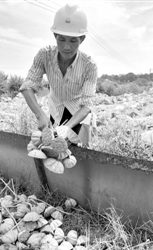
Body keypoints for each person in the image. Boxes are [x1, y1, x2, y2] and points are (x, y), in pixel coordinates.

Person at [19, 3, 98, 148]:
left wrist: (68, 127)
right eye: (62, 39)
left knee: (77, 153)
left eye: (73, 40)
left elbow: (87, 105)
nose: (67, 46)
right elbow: (27, 86)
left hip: (77, 115)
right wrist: (40, 115)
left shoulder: (89, 66)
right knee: (51, 150)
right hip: (55, 110)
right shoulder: (44, 55)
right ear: (55, 36)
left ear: (82, 39)